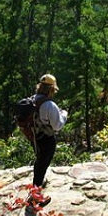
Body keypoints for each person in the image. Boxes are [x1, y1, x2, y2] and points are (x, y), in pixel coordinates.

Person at [28, 73, 68, 207]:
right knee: (43, 163)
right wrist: (64, 114)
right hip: (46, 138)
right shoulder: (50, 105)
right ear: (52, 89)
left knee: (39, 161)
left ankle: (36, 187)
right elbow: (57, 126)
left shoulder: (33, 99)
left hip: (34, 136)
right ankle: (35, 196)